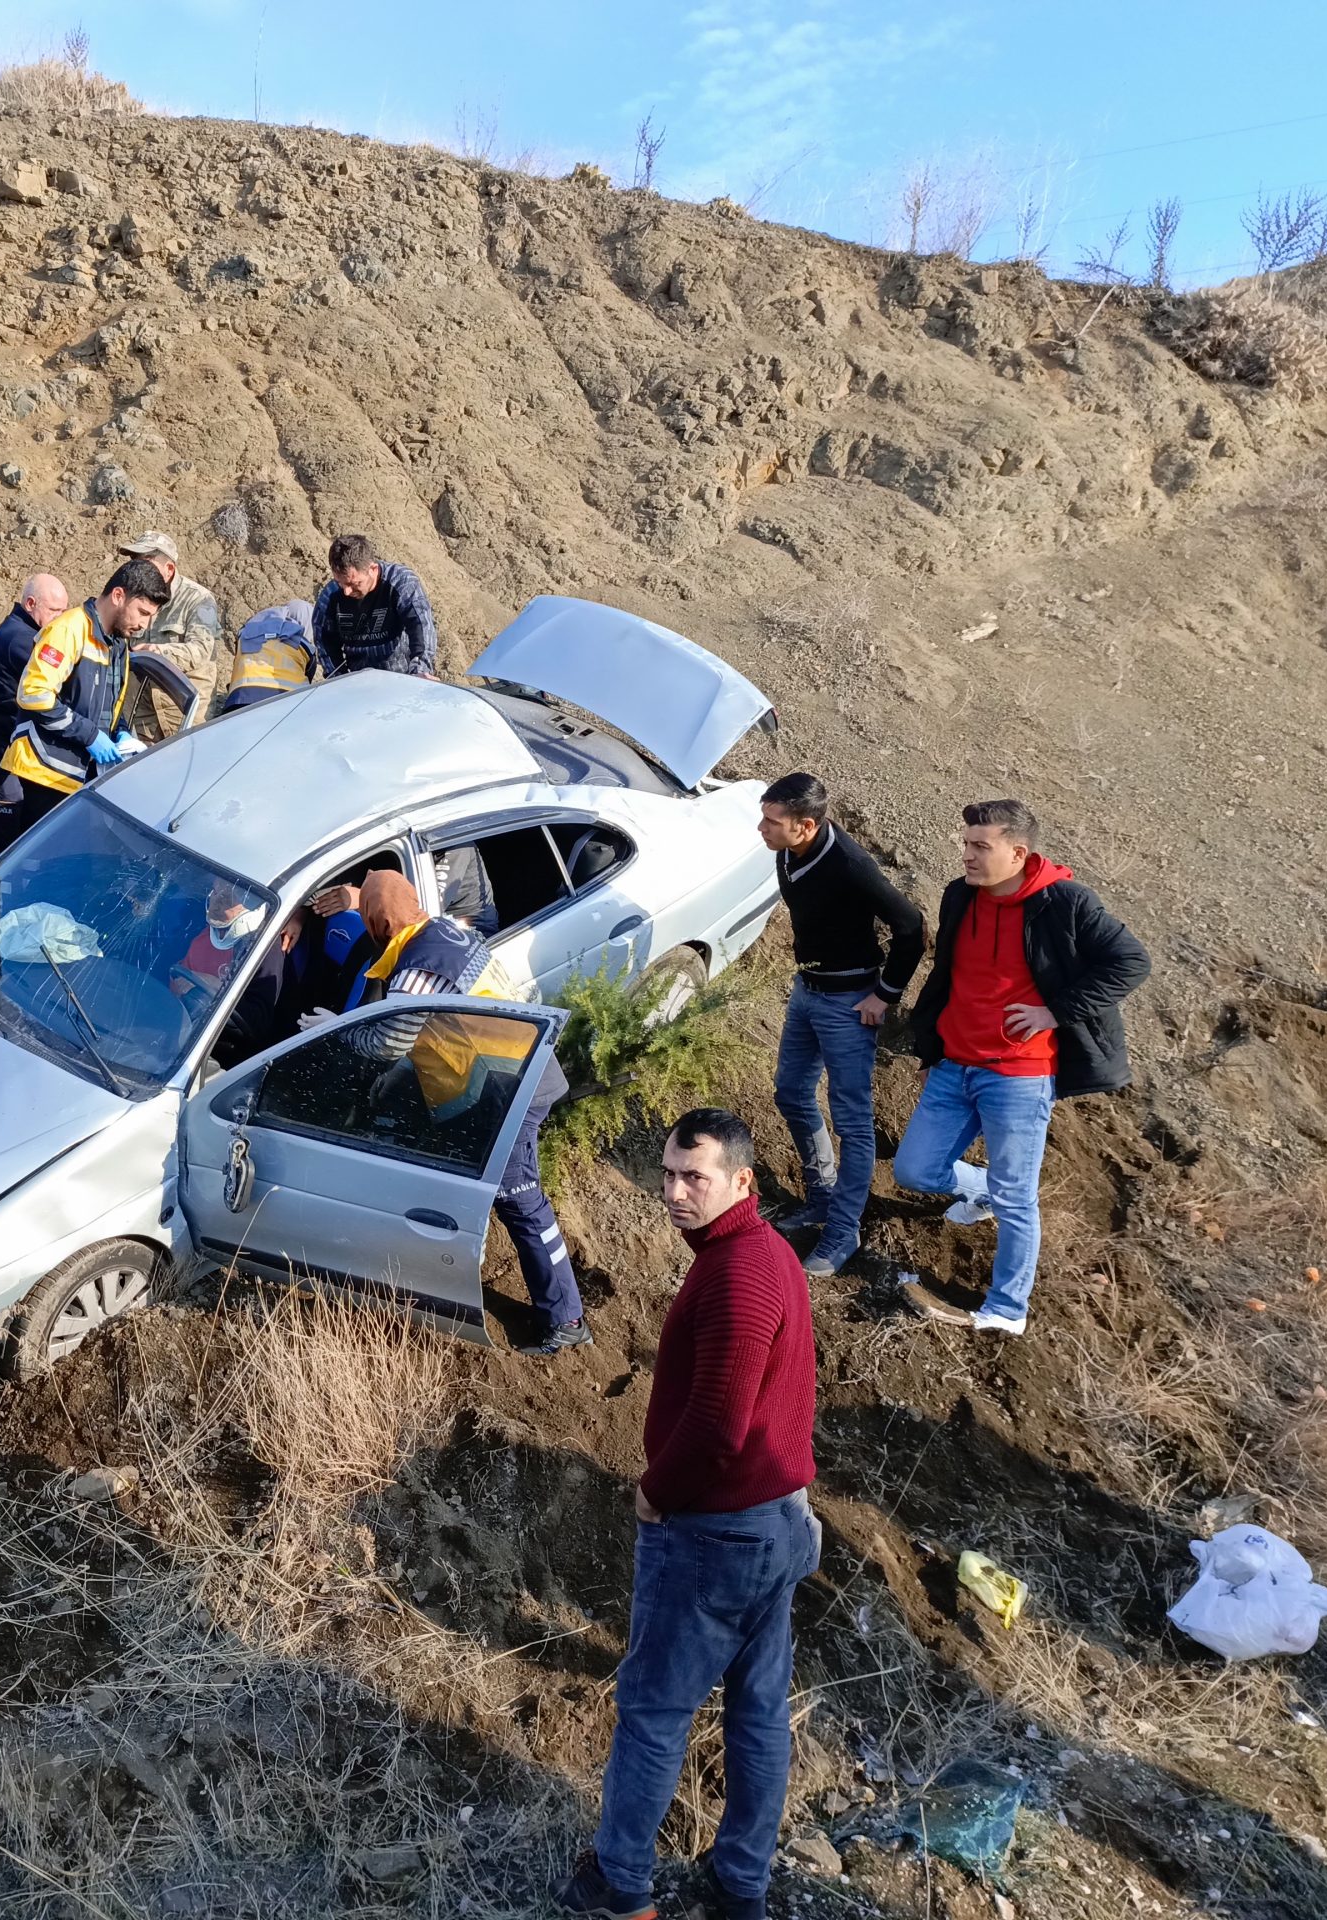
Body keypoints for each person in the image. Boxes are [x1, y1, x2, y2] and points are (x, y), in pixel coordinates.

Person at [557, 1109, 819, 1920]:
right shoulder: (764, 1254)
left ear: (743, 1181)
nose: (673, 1191)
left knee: (653, 1714)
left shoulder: (740, 1274)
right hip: (777, 1523)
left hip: (716, 1531)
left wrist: (655, 1494)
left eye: (693, 1177)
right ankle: (741, 1887)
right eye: (668, 1173)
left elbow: (717, 1424)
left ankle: (620, 1888)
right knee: (757, 1712)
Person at [894, 800, 1151, 1336]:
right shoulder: (959, 895)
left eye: (980, 846)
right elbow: (947, 973)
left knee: (1018, 1196)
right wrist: (931, 1048)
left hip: (1020, 1073)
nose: (967, 855)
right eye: (966, 844)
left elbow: (1131, 961)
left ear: (1017, 852)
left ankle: (1008, 1310)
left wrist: (1053, 1012)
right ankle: (981, 1190)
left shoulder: (1066, 902)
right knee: (914, 1171)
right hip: (956, 1061)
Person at [337, 870, 589, 1356]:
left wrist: (338, 1028)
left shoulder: (417, 968)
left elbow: (389, 1043)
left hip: (508, 1091)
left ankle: (566, 1318)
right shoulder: (449, 934)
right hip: (521, 1070)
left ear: (376, 924)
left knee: (520, 1200)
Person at [758, 772, 926, 1279]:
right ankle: (821, 1195)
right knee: (790, 1092)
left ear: (805, 826)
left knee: (852, 1121)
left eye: (772, 821)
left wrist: (885, 995)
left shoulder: (851, 866)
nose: (760, 829)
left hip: (850, 1005)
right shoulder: (789, 852)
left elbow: (912, 928)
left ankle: (843, 1229)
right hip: (807, 991)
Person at [0, 560, 166, 839]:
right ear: (118, 596)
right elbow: (34, 694)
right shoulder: (69, 630)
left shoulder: (117, 644)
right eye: (142, 612)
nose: (144, 625)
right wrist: (90, 735)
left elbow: (111, 705)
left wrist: (121, 733)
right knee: (42, 866)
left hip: (79, 777)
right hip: (45, 773)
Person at [0, 573, 70, 856]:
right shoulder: (20, 639)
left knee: (9, 840)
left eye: (64, 611)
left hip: (0, 751)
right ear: (31, 603)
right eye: (55, 611)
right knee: (1, 849)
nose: (61, 618)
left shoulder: (16, 630)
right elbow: (64, 679)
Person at [118, 531, 221, 733]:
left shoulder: (198, 600)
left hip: (185, 717)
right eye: (134, 562)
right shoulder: (130, 596)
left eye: (146, 563)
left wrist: (156, 653)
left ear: (169, 569)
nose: (138, 570)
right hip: (144, 718)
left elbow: (200, 651)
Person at [310, 533, 437, 678]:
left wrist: (421, 670)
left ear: (373, 569)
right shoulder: (330, 596)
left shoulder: (401, 582)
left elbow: (421, 626)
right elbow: (325, 644)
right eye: (340, 583)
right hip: (358, 678)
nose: (346, 591)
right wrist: (338, 679)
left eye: (354, 584)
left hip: (403, 675)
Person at [221, 600, 321, 714]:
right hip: (286, 704)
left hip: (238, 700)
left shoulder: (248, 633)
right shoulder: (304, 644)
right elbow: (309, 678)